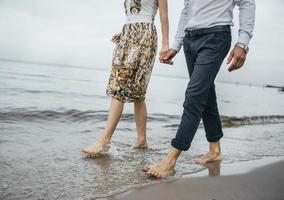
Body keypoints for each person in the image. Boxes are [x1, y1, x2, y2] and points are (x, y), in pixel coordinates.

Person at [144, 0, 256, 178]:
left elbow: (247, 2)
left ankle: (171, 159)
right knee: (206, 95)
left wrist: (242, 42)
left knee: (194, 95)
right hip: (190, 39)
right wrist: (176, 45)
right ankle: (215, 149)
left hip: (216, 36)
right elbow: (187, 10)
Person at [81, 0, 170, 156]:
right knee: (137, 93)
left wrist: (165, 44)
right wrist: (124, 34)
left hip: (145, 36)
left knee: (120, 86)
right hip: (128, 34)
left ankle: (104, 141)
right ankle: (142, 140)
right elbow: (132, 15)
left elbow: (163, 14)